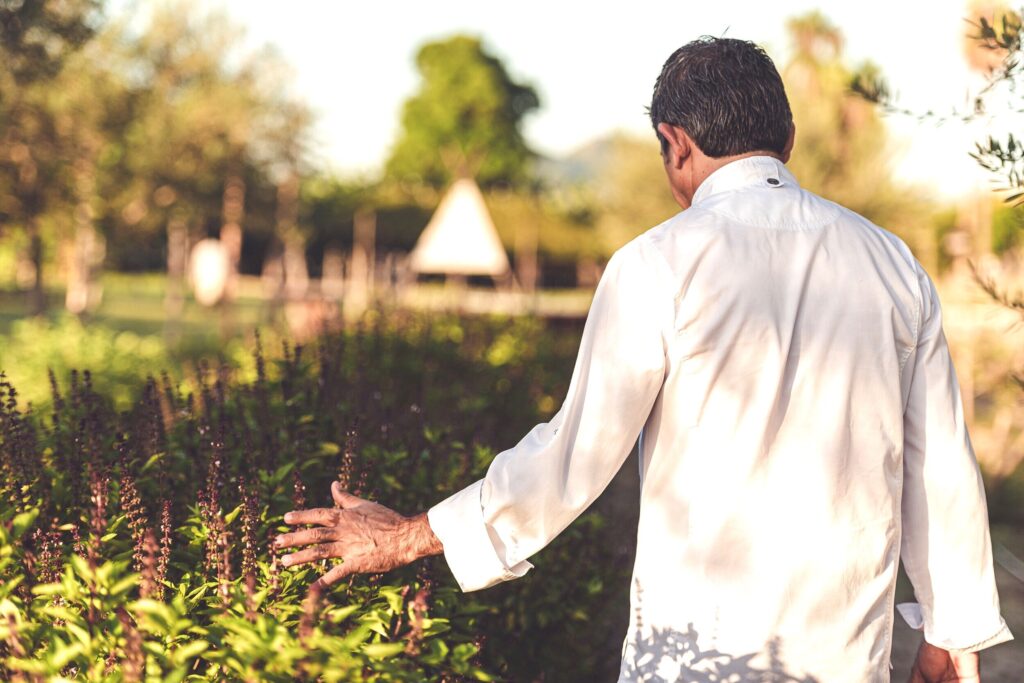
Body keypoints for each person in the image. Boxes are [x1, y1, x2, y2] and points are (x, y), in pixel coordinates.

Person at [274, 37, 1012, 682]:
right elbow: (938, 463)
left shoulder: (659, 263)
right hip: (846, 657)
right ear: (786, 140)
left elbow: (571, 459)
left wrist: (407, 535)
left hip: (694, 657)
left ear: (676, 142)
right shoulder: (892, 263)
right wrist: (955, 630)